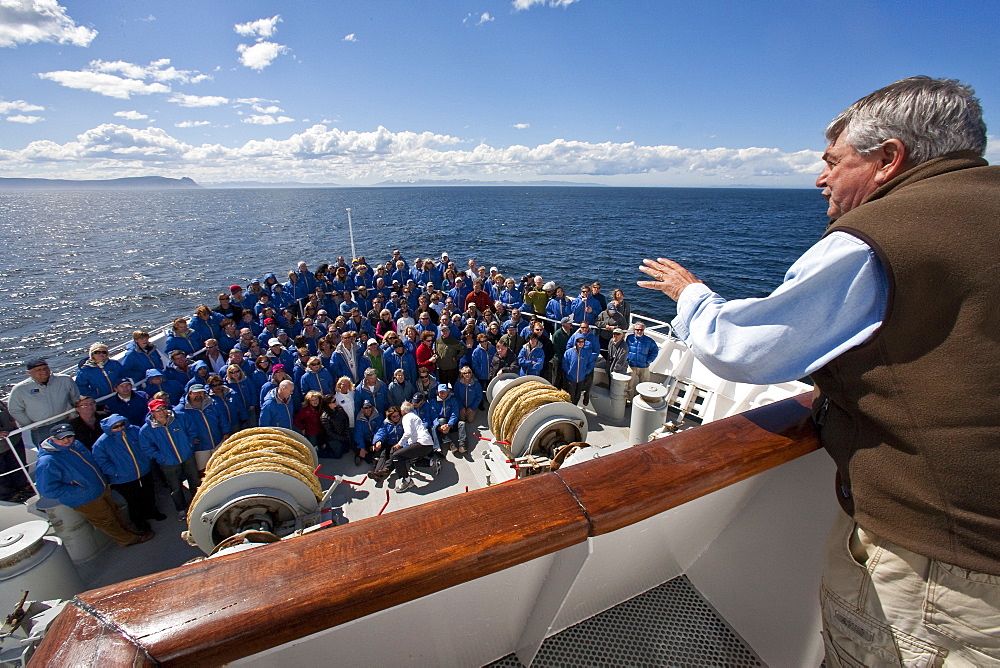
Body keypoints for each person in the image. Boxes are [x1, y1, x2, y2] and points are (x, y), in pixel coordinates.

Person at [637, 77, 999, 665]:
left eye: (834, 161)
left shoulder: (877, 238)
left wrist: (692, 294)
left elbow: (743, 349)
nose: (819, 178)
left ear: (888, 161)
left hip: (944, 570)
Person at [35, 423, 152, 546]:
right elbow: (46, 490)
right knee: (106, 521)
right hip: (85, 498)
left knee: (114, 512)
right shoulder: (48, 461)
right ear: (52, 438)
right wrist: (79, 490)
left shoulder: (76, 445)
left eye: (69, 436)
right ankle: (127, 540)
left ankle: (129, 531)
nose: (66, 440)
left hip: (100, 488)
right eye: (61, 438)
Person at [92, 414, 165, 533]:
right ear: (109, 429)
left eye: (122, 425)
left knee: (149, 493)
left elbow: (146, 444)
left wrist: (147, 459)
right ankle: (139, 522)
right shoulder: (101, 443)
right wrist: (117, 472)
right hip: (123, 479)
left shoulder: (134, 430)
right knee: (134, 501)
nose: (120, 428)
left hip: (144, 470)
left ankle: (152, 512)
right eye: (116, 427)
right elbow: (101, 462)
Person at [139, 399, 201, 520]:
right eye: (157, 410)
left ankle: (199, 502)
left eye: (163, 408)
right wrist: (162, 456)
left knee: (194, 480)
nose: (161, 412)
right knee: (175, 487)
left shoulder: (180, 417)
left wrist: (189, 444)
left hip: (187, 456)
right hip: (168, 463)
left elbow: (191, 430)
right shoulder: (146, 430)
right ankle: (181, 509)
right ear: (152, 412)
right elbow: (146, 448)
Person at [8, 358, 80, 445]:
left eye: (45, 368)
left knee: (74, 447)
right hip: (41, 428)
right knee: (47, 452)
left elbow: (75, 397)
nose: (44, 371)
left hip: (66, 421)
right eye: (39, 370)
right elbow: (14, 409)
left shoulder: (65, 379)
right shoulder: (20, 389)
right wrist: (28, 424)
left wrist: (74, 413)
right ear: (29, 372)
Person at [388, 400, 436, 492]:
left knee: (396, 455)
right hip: (428, 444)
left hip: (421, 443)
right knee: (412, 460)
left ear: (403, 411)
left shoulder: (407, 417)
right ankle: (432, 463)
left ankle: (407, 480)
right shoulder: (415, 417)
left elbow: (408, 433)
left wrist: (399, 444)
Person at [0, 399, 32, 502]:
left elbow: (7, 413)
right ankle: (9, 495)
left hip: (13, 439)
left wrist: (14, 425)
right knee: (2, 472)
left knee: (18, 464)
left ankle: (23, 486)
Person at [623, 322, 658, 402]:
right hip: (632, 366)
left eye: (641, 330)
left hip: (644, 367)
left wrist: (648, 360)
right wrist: (627, 358)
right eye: (637, 330)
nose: (639, 331)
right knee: (629, 385)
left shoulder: (649, 341)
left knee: (644, 385)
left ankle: (642, 401)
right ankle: (629, 400)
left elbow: (655, 351)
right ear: (634, 330)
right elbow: (625, 349)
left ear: (643, 330)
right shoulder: (629, 338)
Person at [561, 336, 595, 406]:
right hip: (571, 378)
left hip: (581, 378)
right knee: (570, 394)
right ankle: (570, 407)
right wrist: (568, 371)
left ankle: (575, 407)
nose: (580, 343)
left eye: (582, 342)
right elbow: (565, 363)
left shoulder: (587, 352)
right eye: (579, 341)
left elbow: (591, 363)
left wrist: (586, 372)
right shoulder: (569, 352)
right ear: (575, 342)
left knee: (578, 394)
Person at [319, 394, 351, 458]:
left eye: (335, 400)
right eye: (333, 402)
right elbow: (330, 433)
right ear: (328, 404)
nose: (336, 403)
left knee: (346, 450)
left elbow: (346, 419)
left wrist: (345, 432)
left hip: (343, 433)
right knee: (338, 455)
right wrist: (341, 438)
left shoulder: (339, 409)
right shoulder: (325, 417)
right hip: (333, 438)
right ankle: (318, 451)